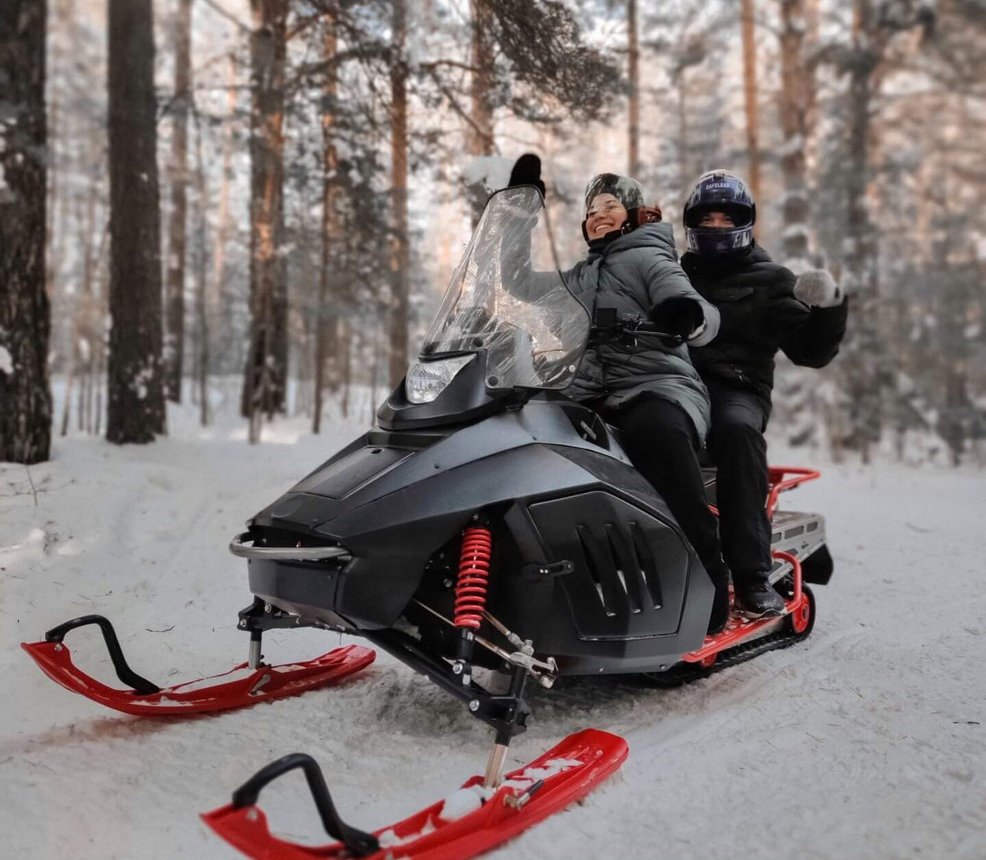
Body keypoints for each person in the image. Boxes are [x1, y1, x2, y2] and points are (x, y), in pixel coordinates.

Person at [508, 156, 731, 633]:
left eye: (610, 204)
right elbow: (516, 284)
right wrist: (518, 209)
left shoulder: (650, 256)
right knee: (525, 438)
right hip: (587, 393)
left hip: (657, 386)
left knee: (657, 438)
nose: (598, 213)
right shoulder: (578, 278)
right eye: (591, 209)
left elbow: (698, 307)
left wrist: (685, 312)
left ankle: (710, 587)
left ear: (632, 215)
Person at [680, 170, 848, 617]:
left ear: (745, 221)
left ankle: (751, 576)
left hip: (737, 388)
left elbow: (810, 351)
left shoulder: (771, 279)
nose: (716, 225)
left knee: (734, 432)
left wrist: (827, 308)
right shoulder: (671, 274)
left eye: (725, 217)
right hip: (674, 386)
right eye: (707, 218)